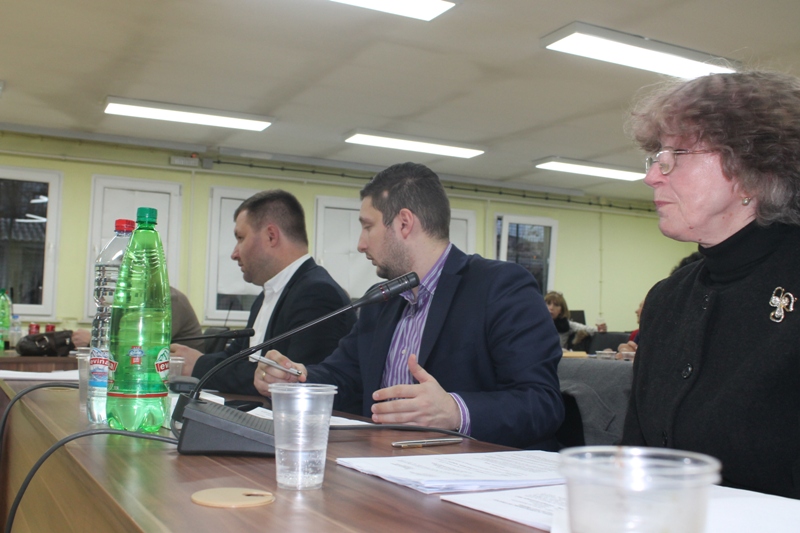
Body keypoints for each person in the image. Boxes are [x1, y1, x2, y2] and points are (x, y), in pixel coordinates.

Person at [254, 162, 564, 449]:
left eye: (368, 226)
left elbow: (542, 403)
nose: (361, 244)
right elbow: (346, 377)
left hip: (469, 471)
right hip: (383, 463)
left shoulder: (500, 287)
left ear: (404, 223)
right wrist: (298, 377)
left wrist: (455, 411)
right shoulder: (381, 299)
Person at [620, 71, 800, 499]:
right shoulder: (668, 297)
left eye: (675, 155)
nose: (653, 176)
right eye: (656, 157)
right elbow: (637, 453)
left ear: (752, 167)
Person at [170, 190, 355, 395]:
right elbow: (236, 359)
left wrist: (199, 365)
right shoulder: (266, 296)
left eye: (240, 238)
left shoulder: (317, 294)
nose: (234, 253)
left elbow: (291, 380)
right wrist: (191, 359)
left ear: (271, 236)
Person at [73, 286, 205, 352]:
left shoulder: (169, 300)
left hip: (183, 378)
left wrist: (94, 341)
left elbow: (142, 347)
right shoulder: (139, 299)